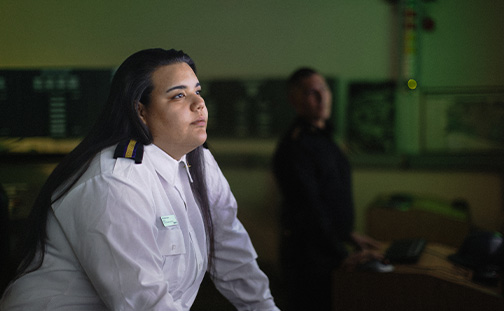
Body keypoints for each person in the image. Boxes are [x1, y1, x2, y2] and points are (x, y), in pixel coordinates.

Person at [0, 48, 280, 311]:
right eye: (178, 96)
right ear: (141, 111)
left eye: (197, 91)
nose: (199, 104)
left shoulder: (200, 162)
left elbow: (234, 257)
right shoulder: (114, 181)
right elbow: (142, 300)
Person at [272, 67, 383, 311]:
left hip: (330, 248)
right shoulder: (296, 146)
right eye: (312, 92)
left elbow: (330, 196)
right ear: (294, 100)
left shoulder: (325, 137)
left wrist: (348, 235)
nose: (321, 97)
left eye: (324, 89)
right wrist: (341, 253)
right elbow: (309, 209)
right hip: (310, 259)